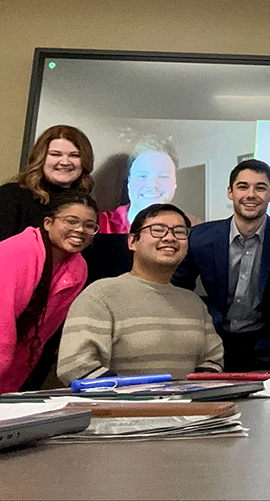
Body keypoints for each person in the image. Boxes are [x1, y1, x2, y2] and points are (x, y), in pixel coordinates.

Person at [58, 204, 223, 382]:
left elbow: (214, 359)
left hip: (189, 407)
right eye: (157, 230)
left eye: (180, 231)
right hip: (122, 408)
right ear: (132, 241)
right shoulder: (100, 296)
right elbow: (74, 366)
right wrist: (136, 397)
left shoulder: (193, 303)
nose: (170, 237)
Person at [172, 160, 270, 371]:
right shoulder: (200, 238)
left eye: (260, 188)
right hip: (213, 345)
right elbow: (176, 290)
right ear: (230, 192)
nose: (251, 194)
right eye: (243, 186)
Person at [0, 191, 97, 392]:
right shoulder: (19, 251)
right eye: (71, 221)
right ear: (47, 223)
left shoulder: (79, 268)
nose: (80, 230)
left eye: (89, 226)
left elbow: (42, 334)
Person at [0, 125, 95, 242]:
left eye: (74, 155)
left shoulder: (86, 204)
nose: (65, 162)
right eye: (55, 154)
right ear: (40, 158)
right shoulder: (10, 196)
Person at [97, 135, 201, 234]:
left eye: (163, 176)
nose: (152, 185)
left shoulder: (196, 228)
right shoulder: (99, 224)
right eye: (142, 176)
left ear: (175, 183)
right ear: (129, 182)